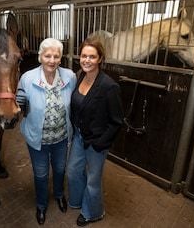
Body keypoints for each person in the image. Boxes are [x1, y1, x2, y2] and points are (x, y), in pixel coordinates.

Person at [17, 38, 76, 225]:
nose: (52, 60)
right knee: (41, 174)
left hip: (61, 137)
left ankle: (59, 195)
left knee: (59, 169)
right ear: (40, 57)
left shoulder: (70, 77)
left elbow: (75, 103)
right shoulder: (27, 78)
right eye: (47, 55)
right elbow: (19, 102)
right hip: (37, 139)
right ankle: (41, 205)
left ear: (60, 58)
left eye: (56, 56)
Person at [67, 36, 123, 226]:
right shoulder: (79, 76)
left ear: (100, 59)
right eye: (84, 56)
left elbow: (117, 121)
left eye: (92, 57)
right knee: (73, 171)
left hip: (97, 141)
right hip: (79, 136)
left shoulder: (109, 86)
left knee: (93, 179)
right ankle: (77, 201)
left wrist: (101, 143)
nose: (87, 60)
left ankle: (93, 212)